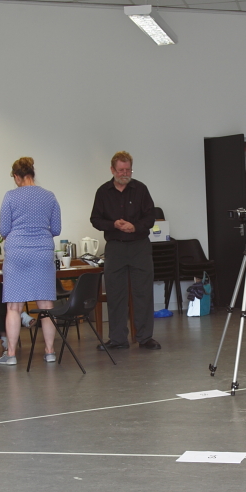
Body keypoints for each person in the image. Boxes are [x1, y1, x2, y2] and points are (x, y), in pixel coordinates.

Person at [90, 150, 159, 350]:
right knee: (115, 294)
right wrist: (113, 224)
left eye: (128, 169)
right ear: (112, 170)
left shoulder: (141, 189)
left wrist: (135, 227)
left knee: (143, 293)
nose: (125, 173)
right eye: (121, 170)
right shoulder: (103, 192)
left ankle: (145, 338)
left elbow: (151, 217)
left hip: (139, 247)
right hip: (115, 247)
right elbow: (95, 219)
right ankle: (118, 339)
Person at [0, 157, 61, 366]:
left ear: (17, 176)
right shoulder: (49, 196)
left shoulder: (10, 196)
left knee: (14, 307)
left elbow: (4, 229)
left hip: (17, 253)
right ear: (32, 173)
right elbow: (56, 229)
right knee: (46, 306)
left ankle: (11, 354)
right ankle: (50, 352)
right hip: (42, 253)